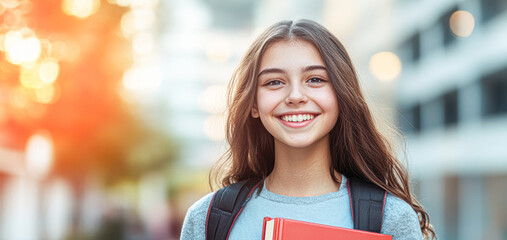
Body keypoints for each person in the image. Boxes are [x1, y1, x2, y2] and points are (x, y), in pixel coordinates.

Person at [180, 19, 434, 240]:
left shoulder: (389, 218)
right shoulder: (207, 219)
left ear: (340, 96)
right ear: (254, 104)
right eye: (274, 82)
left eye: (315, 79)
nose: (295, 96)